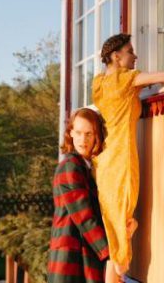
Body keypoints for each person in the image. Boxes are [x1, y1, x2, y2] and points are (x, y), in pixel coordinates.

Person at [92, 33, 164, 282]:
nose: (135, 56)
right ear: (116, 56)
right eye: (130, 51)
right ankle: (121, 270)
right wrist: (141, 82)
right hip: (121, 160)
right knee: (122, 226)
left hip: (104, 161)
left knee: (115, 226)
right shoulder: (126, 79)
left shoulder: (98, 83)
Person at [48, 108, 111, 283]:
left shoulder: (86, 167)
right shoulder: (70, 165)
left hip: (83, 252)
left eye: (89, 134)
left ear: (96, 136)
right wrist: (109, 253)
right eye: (79, 133)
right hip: (70, 256)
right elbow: (84, 217)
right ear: (71, 134)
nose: (83, 140)